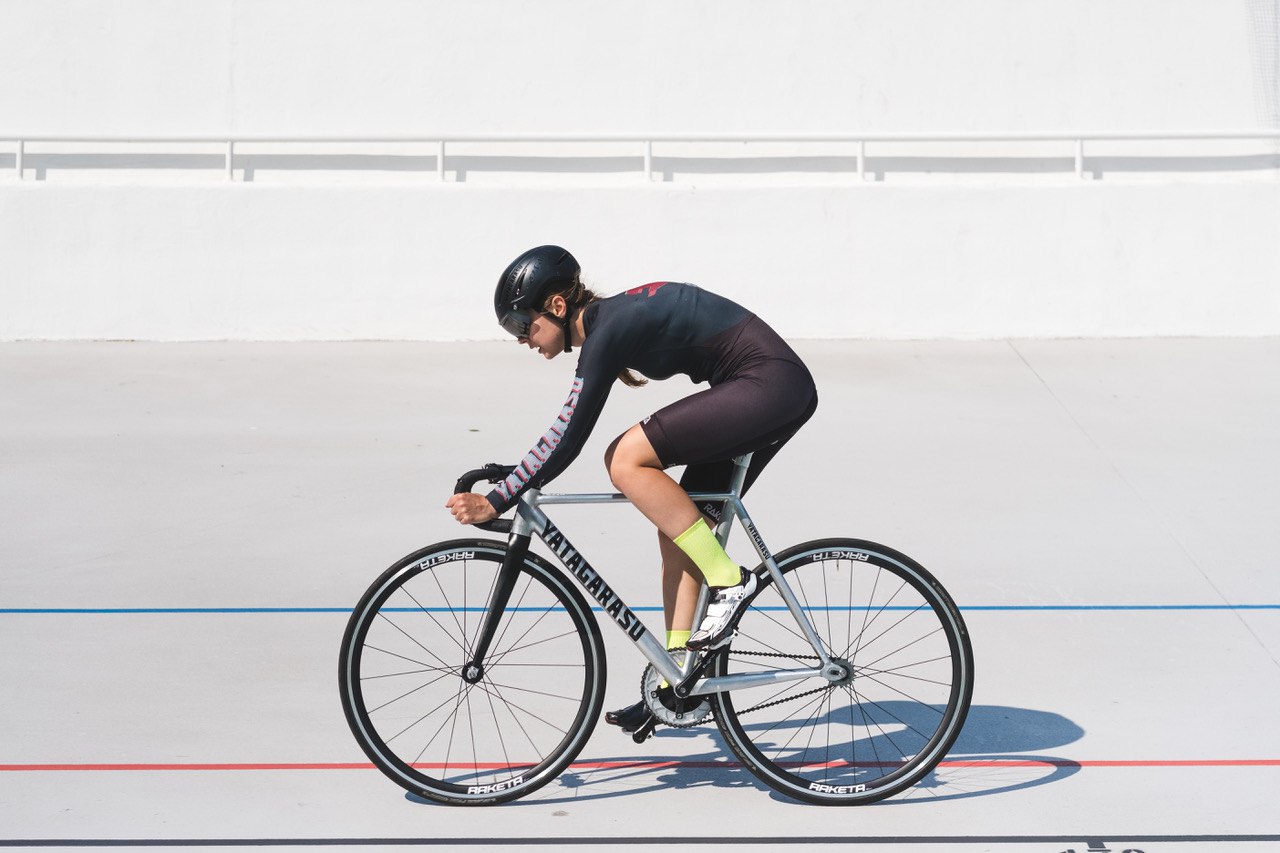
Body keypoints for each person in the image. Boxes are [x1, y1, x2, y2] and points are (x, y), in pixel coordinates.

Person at [445, 245, 818, 735]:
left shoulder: (609, 329)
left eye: (521, 324)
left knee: (623, 459)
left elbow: (568, 436)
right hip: (765, 386)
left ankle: (730, 580)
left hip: (769, 384)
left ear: (556, 306)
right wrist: (519, 473)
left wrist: (499, 498)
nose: (521, 339)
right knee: (679, 531)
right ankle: (677, 680)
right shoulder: (608, 326)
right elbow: (564, 436)